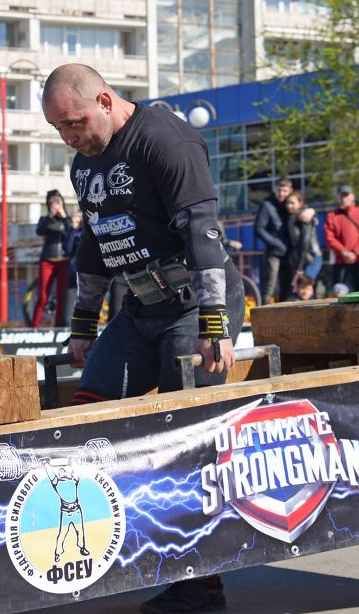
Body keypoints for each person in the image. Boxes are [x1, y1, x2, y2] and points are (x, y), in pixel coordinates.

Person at [42, 63, 243, 614]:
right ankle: (99, 549)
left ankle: (203, 584)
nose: (69, 137)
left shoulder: (166, 140)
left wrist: (215, 324)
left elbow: (203, 233)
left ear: (105, 101)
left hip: (194, 304)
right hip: (138, 307)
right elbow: (96, 242)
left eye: (75, 122)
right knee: (86, 417)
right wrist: (84, 323)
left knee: (184, 441)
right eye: (59, 128)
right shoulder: (85, 162)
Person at [32, 189, 71, 327]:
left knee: (62, 297)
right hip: (47, 260)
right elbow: (39, 231)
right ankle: (34, 326)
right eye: (52, 203)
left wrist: (64, 216)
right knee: (43, 296)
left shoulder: (67, 219)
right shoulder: (45, 219)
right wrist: (50, 215)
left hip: (64, 261)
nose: (55, 205)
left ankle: (58, 327)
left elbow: (72, 231)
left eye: (57, 202)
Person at [324, 185, 359, 293]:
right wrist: (343, 252)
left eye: (346, 195)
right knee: (338, 292)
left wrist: (355, 253)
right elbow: (330, 238)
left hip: (358, 260)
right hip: (339, 260)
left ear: (353, 197)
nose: (343, 198)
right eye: (341, 196)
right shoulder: (331, 216)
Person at [254, 178, 292, 303]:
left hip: (290, 253)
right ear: (275, 189)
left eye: (284, 191)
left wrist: (311, 211)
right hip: (274, 253)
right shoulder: (267, 205)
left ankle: (285, 313)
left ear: (290, 191)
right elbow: (259, 229)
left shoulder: (291, 203)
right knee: (269, 287)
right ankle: (264, 313)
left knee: (288, 288)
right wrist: (276, 243)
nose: (281, 194)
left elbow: (304, 209)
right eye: (279, 190)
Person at [284, 191, 322, 299]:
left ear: (300, 203)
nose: (289, 206)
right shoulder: (292, 217)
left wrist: (299, 266)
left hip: (311, 257)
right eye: (287, 203)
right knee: (302, 288)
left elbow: (305, 241)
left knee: (305, 287)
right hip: (302, 259)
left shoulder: (304, 216)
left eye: (292, 203)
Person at [63, 209, 84, 321]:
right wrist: (73, 227)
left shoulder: (89, 231)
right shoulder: (73, 232)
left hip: (89, 274)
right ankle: (67, 325)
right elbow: (67, 249)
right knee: (69, 306)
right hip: (74, 272)